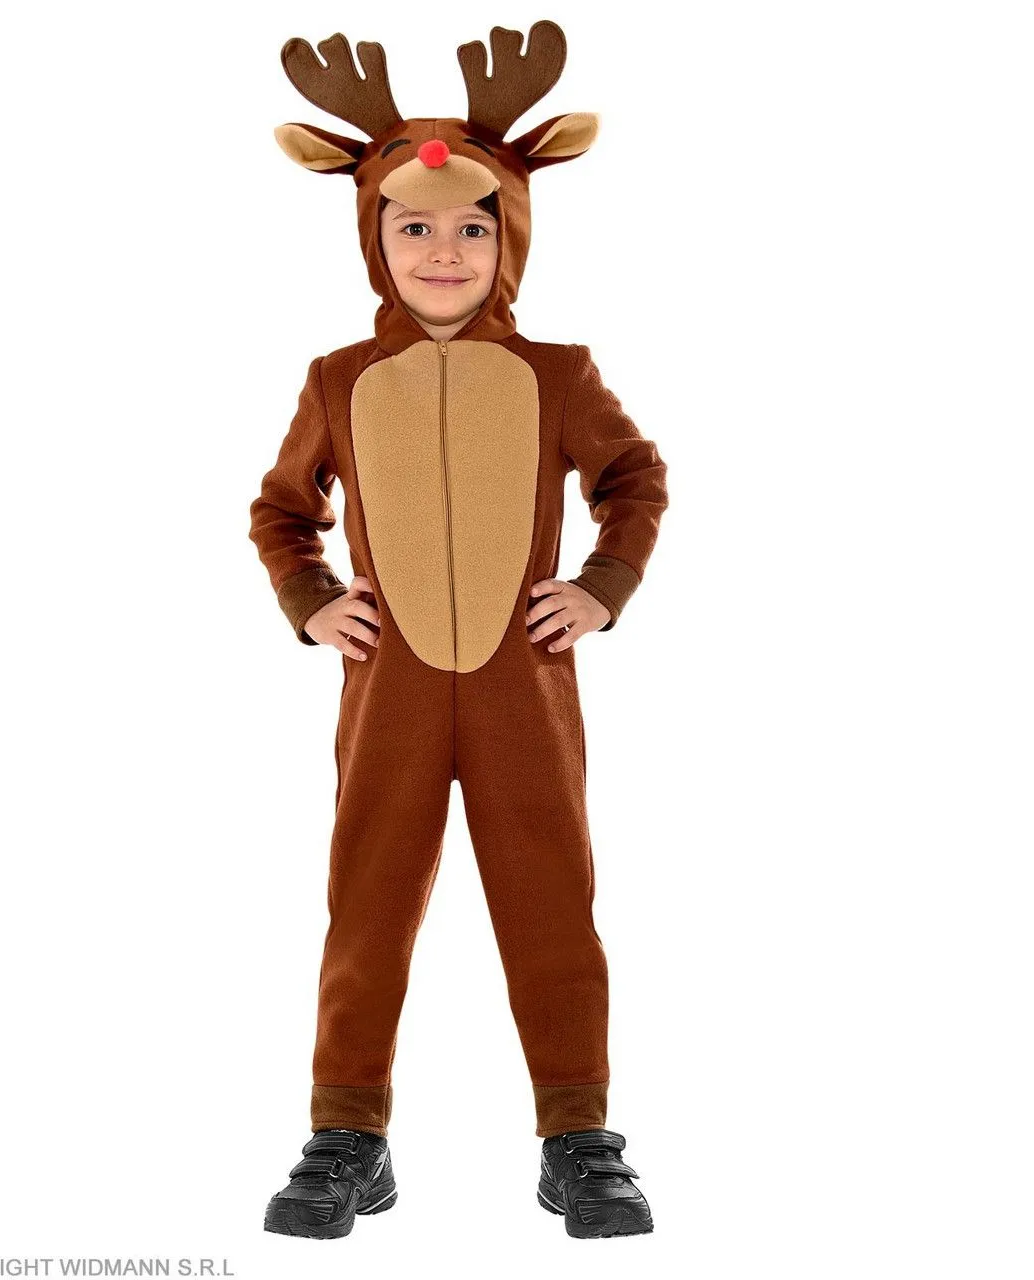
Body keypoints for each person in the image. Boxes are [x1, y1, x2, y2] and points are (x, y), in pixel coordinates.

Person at [251, 21, 668, 1240]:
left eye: (473, 228)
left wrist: (601, 583)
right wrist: (312, 599)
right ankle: (346, 1132)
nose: (443, 252)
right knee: (366, 902)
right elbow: (281, 510)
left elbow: (633, 477)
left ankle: (577, 1134)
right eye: (413, 228)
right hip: (385, 686)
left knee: (549, 900)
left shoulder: (557, 373)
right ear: (373, 238)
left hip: (521, 685)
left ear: (511, 235)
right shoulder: (337, 379)